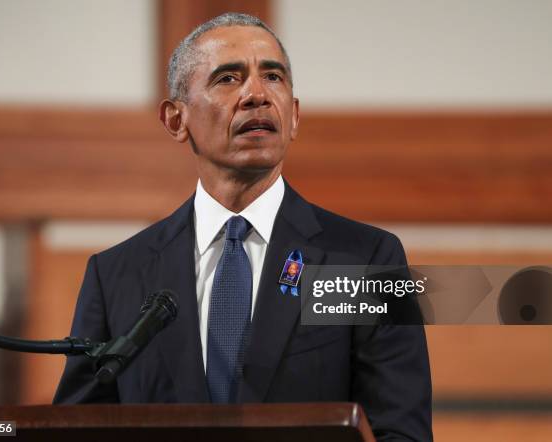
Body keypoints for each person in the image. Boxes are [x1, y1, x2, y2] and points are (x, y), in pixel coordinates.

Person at [54, 13, 432, 441]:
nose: (257, 95)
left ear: (294, 115)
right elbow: (76, 428)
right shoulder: (117, 274)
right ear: (176, 120)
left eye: (273, 76)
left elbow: (401, 432)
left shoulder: (366, 261)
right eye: (228, 79)